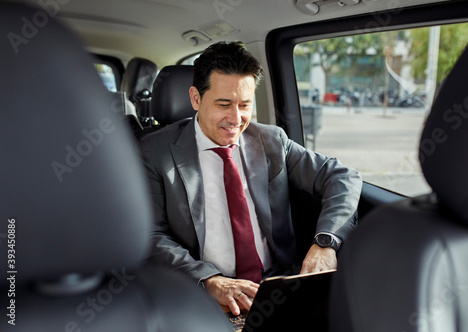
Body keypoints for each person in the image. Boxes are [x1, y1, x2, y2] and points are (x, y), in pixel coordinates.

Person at [140, 41, 362, 316]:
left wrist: (325, 242)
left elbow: (342, 177)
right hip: (204, 295)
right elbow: (152, 234)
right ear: (196, 98)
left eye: (245, 104)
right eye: (224, 104)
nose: (236, 118)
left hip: (279, 284)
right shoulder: (154, 152)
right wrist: (208, 281)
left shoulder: (271, 140)